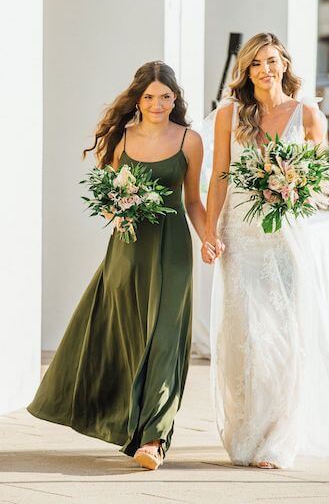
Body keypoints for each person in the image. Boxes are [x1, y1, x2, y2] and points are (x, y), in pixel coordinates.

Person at [28, 61, 208, 470]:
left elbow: (193, 201)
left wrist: (208, 238)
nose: (157, 103)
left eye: (165, 96)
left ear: (175, 99)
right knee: (125, 335)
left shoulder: (190, 141)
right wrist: (117, 211)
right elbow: (108, 194)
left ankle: (155, 439)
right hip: (128, 249)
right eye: (149, 97)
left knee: (165, 337)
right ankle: (121, 419)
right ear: (138, 99)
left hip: (173, 247)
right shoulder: (118, 141)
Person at [203, 32, 329, 469]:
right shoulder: (229, 115)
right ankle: (245, 430)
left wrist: (293, 192)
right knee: (245, 337)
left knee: (284, 337)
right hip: (239, 232)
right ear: (246, 70)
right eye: (256, 63)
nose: (265, 70)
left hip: (286, 237)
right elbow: (220, 175)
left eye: (272, 61)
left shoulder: (307, 113)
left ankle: (277, 438)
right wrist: (210, 231)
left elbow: (321, 179)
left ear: (285, 64)